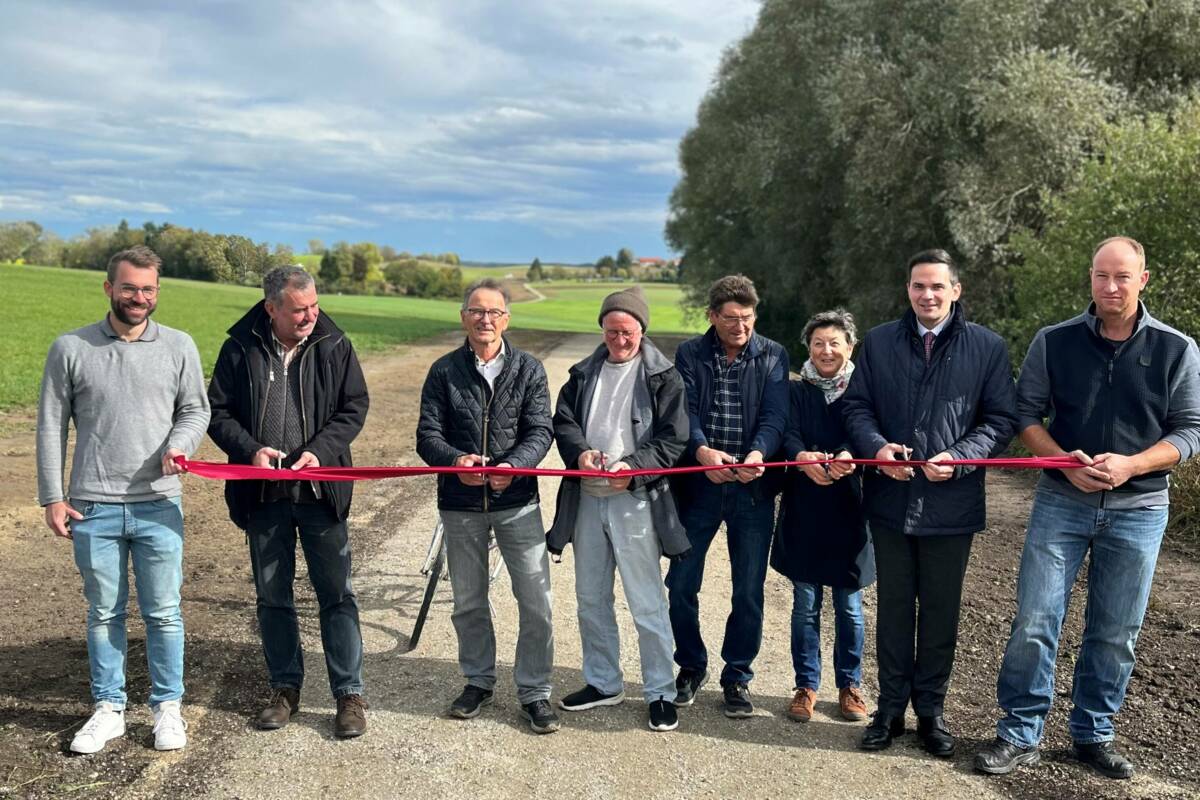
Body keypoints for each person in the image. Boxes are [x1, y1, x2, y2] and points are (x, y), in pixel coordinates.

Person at [975, 236, 1200, 780]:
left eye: (1122, 277)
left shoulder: (1178, 348)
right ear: (1090, 279)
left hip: (1140, 506)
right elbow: (1025, 415)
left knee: (1116, 628)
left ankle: (1093, 734)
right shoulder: (1054, 342)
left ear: (1143, 280)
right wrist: (1061, 464)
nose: (1111, 287)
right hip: (1061, 500)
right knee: (1035, 616)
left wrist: (1132, 465)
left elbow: (1191, 431)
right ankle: (1019, 732)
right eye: (1102, 276)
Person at [842, 249, 1018, 756]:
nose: (928, 295)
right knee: (894, 610)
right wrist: (876, 448)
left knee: (941, 612)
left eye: (938, 286)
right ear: (908, 290)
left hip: (952, 503)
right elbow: (856, 407)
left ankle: (931, 715)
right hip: (890, 501)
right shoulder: (877, 343)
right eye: (919, 286)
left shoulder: (986, 347)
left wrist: (960, 457)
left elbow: (1001, 421)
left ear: (955, 291)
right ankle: (890, 711)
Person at [37, 245, 210, 753]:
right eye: (130, 287)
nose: (139, 297)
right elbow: (51, 425)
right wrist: (51, 495)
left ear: (158, 292)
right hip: (93, 505)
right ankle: (108, 708)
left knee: (164, 612)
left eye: (149, 289)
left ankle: (166, 708)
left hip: (159, 503)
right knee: (104, 613)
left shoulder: (179, 346)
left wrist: (180, 445)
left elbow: (195, 411)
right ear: (109, 287)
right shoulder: (70, 347)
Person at [207, 265, 370, 738]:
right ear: (271, 307)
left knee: (337, 594)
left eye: (314, 306)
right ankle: (284, 688)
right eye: (299, 310)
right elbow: (216, 411)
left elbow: (354, 406)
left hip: (321, 492)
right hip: (263, 494)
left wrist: (319, 452)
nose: (310, 316)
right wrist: (249, 450)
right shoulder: (239, 347)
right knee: (273, 597)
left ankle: (349, 695)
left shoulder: (335, 344)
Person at [416, 278, 558, 733]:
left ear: (506, 319)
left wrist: (514, 465)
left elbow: (541, 431)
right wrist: (454, 460)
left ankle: (534, 692)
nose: (485, 320)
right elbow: (427, 436)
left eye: (494, 312)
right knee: (469, 600)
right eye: (477, 311)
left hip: (516, 501)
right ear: (463, 317)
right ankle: (478, 681)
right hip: (459, 503)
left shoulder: (530, 370)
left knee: (536, 600)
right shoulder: (442, 371)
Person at [546, 286, 689, 732]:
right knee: (590, 597)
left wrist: (633, 467)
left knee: (646, 600)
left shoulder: (665, 377)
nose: (619, 340)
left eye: (627, 331)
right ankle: (604, 682)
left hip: (636, 500)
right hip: (588, 499)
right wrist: (580, 453)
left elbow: (674, 439)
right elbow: (563, 422)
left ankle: (661, 691)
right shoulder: (583, 372)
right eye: (611, 331)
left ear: (642, 330)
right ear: (602, 329)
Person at [665, 274, 789, 718]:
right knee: (680, 584)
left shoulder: (773, 354)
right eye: (732, 319)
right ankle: (691, 666)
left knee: (748, 590)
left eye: (748, 319)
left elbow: (776, 416)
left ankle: (737, 676)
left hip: (753, 490)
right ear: (712, 316)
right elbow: (686, 412)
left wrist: (759, 452)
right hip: (700, 485)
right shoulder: (690, 354)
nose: (741, 327)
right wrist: (701, 451)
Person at [770, 309, 874, 725]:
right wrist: (800, 457)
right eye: (818, 343)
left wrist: (851, 452)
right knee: (805, 605)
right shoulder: (795, 390)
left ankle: (850, 685)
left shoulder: (865, 389)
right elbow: (786, 431)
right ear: (808, 348)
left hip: (852, 508)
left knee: (850, 607)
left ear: (850, 346)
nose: (826, 350)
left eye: (834, 343)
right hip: (804, 507)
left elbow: (867, 429)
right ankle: (806, 686)